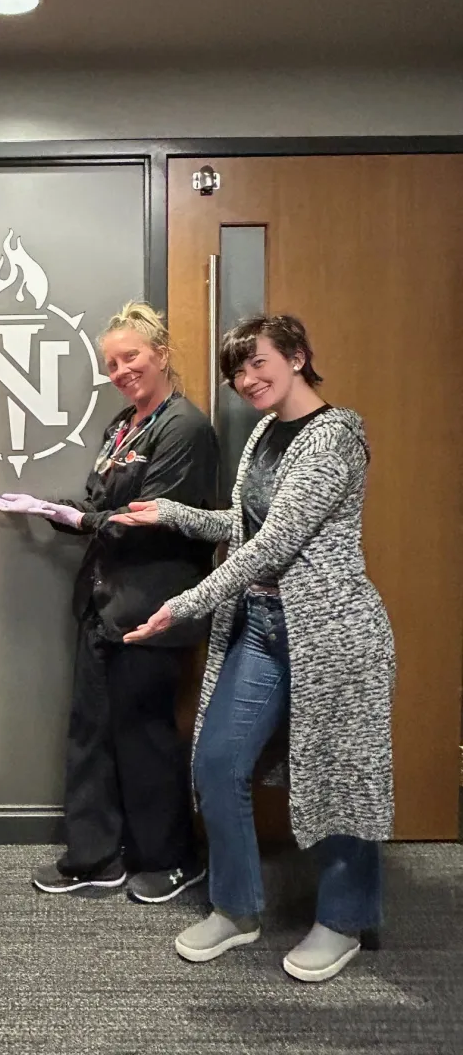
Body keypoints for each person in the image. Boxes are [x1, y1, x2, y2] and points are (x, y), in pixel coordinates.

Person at [115, 314, 395, 983]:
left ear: (297, 356)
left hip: (335, 635)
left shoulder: (336, 437)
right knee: (217, 761)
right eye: (237, 371)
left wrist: (185, 603)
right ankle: (236, 908)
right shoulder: (267, 434)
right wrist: (174, 513)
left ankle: (344, 922)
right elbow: (245, 526)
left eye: (258, 362)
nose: (247, 379)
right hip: (266, 628)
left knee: (341, 778)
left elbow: (275, 545)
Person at [0, 302, 219, 902]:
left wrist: (81, 519)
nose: (121, 371)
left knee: (145, 736)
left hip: (152, 607)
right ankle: (94, 856)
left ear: (160, 353)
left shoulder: (184, 428)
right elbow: (101, 505)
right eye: (111, 363)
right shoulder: (123, 425)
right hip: (101, 601)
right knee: (90, 732)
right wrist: (53, 509)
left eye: (131, 357)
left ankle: (170, 858)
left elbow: (151, 518)